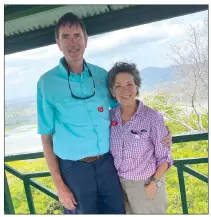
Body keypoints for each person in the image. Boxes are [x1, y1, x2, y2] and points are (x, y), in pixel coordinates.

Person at [37, 12, 172, 214]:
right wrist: (59, 185)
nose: (72, 42)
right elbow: (46, 137)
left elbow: (125, 103)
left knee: (117, 211)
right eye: (66, 37)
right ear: (58, 42)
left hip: (107, 165)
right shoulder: (47, 83)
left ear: (86, 40)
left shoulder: (101, 76)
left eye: (77, 35)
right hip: (74, 169)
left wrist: (159, 128)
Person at [108, 62, 173, 214]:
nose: (125, 90)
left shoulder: (152, 117)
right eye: (118, 86)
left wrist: (154, 184)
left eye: (129, 84)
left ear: (137, 86)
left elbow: (165, 157)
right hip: (119, 187)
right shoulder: (110, 117)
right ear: (112, 91)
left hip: (146, 185)